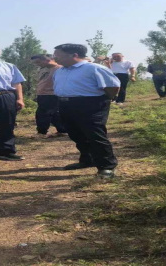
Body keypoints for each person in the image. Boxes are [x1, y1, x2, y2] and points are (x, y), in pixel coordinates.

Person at [52, 43, 120, 178]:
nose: (55, 58)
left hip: (90, 104)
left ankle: (107, 166)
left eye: (58, 55)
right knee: (76, 134)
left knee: (95, 135)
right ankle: (87, 160)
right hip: (65, 104)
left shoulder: (94, 68)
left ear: (74, 55)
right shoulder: (60, 70)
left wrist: (102, 101)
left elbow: (112, 87)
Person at [30, 54, 67, 138]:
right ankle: (62, 130)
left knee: (42, 113)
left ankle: (42, 132)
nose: (37, 64)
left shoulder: (60, 69)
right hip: (42, 94)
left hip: (51, 94)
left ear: (47, 60)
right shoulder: (43, 69)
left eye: (38, 62)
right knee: (54, 114)